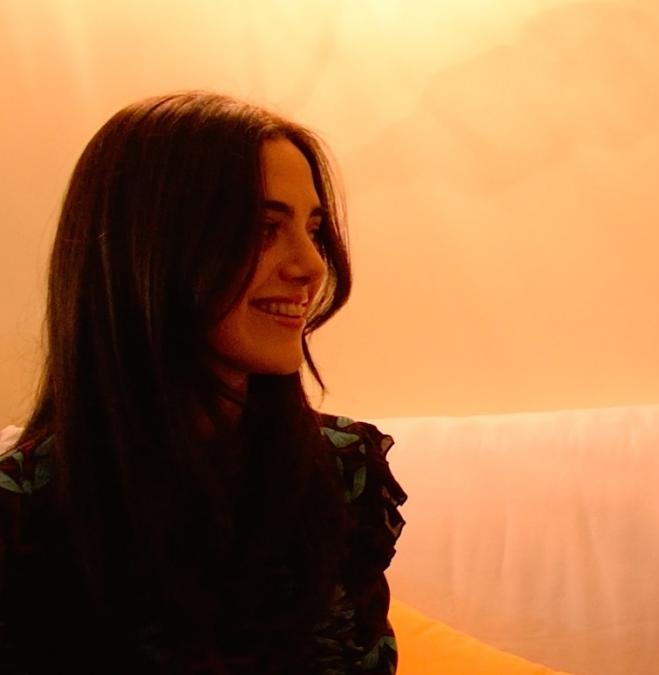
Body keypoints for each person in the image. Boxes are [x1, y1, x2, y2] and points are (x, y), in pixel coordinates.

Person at [0, 92, 407, 673]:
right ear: (150, 248)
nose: (312, 265)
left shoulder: (344, 471)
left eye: (314, 230)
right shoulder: (22, 518)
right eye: (265, 228)